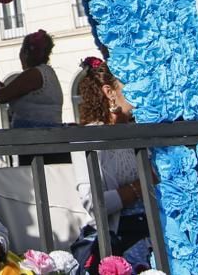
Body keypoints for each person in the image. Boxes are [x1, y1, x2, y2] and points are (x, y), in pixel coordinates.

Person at [69, 57, 151, 273]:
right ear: (109, 91)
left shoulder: (142, 131)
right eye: (129, 84)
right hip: (120, 239)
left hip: (154, 231)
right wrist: (142, 186)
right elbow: (93, 203)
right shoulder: (90, 137)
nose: (138, 91)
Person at [0, 29, 63, 129]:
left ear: (26, 53)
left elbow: (2, 96)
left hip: (35, 137)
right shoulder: (47, 72)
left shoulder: (34, 74)